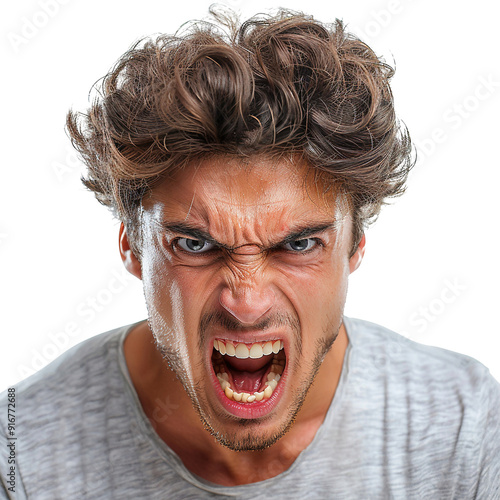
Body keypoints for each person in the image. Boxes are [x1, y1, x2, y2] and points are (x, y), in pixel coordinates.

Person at [1, 8, 499, 499]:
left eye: (299, 245)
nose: (247, 304)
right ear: (132, 248)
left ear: (355, 247)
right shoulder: (21, 449)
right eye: (194, 244)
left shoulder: (464, 428)